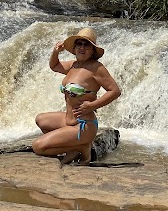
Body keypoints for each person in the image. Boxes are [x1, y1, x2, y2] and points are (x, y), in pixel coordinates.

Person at [32, 27, 121, 165]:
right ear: (74, 48)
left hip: (83, 125)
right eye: (79, 44)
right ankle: (74, 148)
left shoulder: (96, 68)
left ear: (93, 50)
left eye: (87, 45)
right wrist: (56, 52)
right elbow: (54, 66)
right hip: (68, 119)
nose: (82, 47)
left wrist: (92, 105)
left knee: (38, 147)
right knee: (41, 120)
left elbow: (115, 91)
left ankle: (80, 146)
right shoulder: (74, 65)